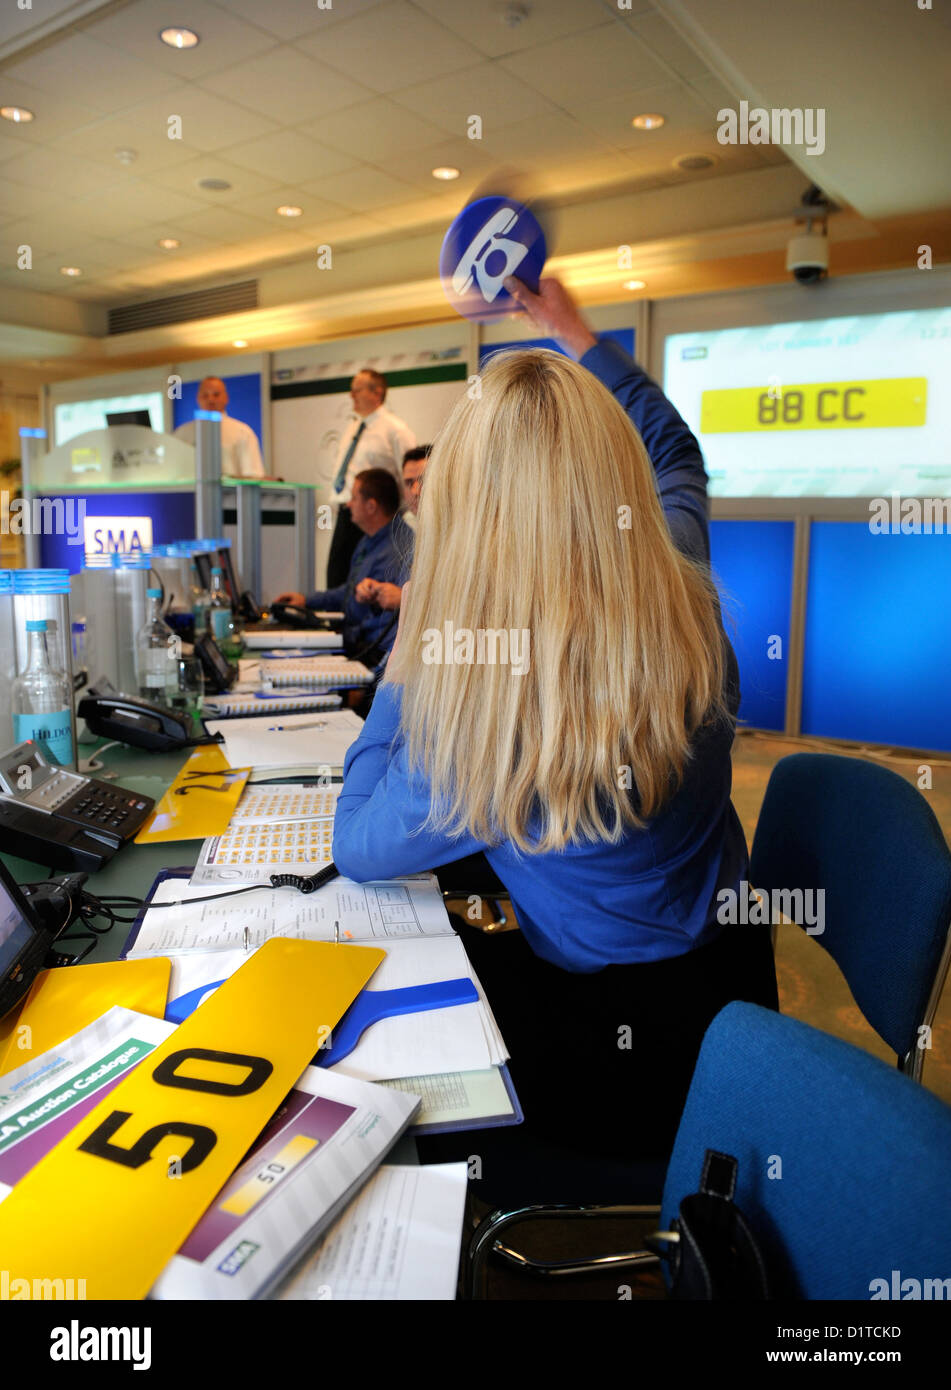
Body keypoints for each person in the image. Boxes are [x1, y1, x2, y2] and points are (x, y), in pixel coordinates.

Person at [331, 277, 778, 1183]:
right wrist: (570, 331)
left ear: (461, 518)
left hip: (604, 1065)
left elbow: (356, 844)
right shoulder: (683, 578)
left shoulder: (483, 718)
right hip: (732, 1010)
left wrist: (414, 655)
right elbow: (676, 452)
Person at [274, 468, 413, 668]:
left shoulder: (399, 549)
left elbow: (379, 622)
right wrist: (307, 600)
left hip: (373, 654)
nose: (348, 504)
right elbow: (349, 590)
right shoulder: (367, 541)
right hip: (358, 642)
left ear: (371, 506)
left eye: (354, 498)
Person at [326, 370, 415, 588]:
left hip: (378, 518)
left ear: (377, 392)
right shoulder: (354, 427)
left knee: (367, 581)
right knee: (337, 576)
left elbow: (410, 474)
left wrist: (399, 513)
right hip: (348, 513)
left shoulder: (396, 429)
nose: (351, 395)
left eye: (357, 390)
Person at [355, 444, 430, 613]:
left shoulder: (462, 534)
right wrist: (377, 590)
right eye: (409, 483)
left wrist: (405, 599)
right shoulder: (404, 530)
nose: (416, 490)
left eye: (424, 480)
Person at [173, 377, 267, 480]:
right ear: (198, 398)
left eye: (216, 394)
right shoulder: (181, 433)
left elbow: (254, 475)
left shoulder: (243, 432)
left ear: (226, 398)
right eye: (205, 395)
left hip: (230, 495)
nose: (210, 399)